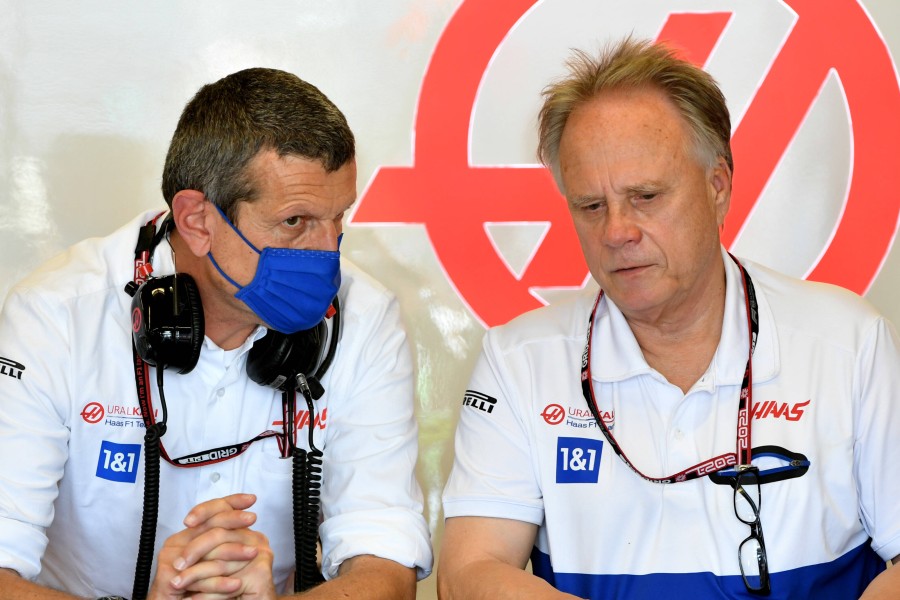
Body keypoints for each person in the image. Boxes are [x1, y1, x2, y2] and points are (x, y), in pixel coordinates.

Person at [438, 37, 900, 599]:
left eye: (647, 197)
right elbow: (469, 573)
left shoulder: (847, 341)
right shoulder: (519, 362)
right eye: (590, 206)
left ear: (718, 186)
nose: (616, 232)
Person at [0, 67, 432, 599]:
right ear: (198, 221)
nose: (328, 254)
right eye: (295, 222)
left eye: (338, 218)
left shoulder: (364, 318)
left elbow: (384, 566)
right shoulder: (56, 315)